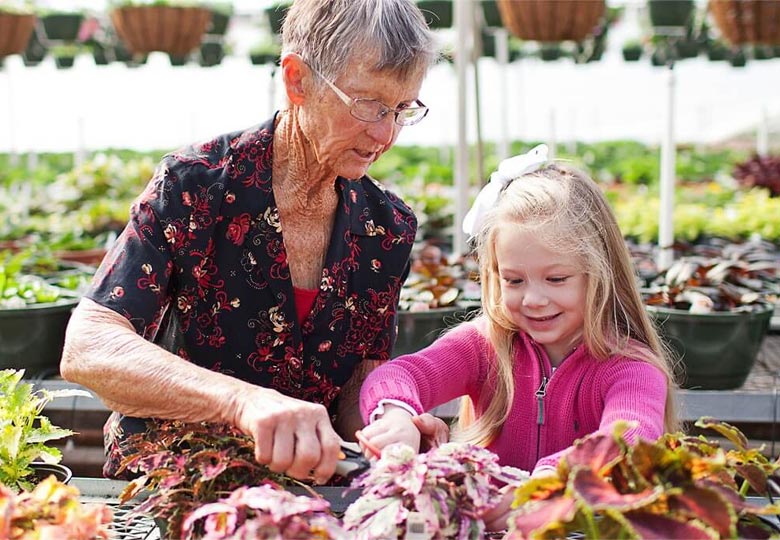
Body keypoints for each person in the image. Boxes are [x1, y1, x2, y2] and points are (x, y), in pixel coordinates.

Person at [60, 0, 443, 485]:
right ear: (297, 80)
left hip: (307, 489)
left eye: (402, 108)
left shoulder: (386, 228)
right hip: (175, 483)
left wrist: (388, 427)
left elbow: (354, 387)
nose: (386, 133)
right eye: (368, 105)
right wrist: (244, 401)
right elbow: (89, 346)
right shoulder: (195, 185)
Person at [357, 145, 679, 527]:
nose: (534, 299)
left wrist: (547, 485)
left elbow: (626, 439)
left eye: (556, 279)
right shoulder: (484, 345)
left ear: (600, 273)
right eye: (513, 280)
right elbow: (400, 375)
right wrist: (397, 416)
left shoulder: (630, 370)